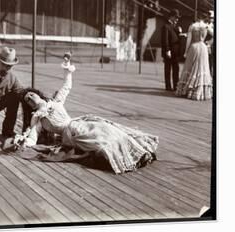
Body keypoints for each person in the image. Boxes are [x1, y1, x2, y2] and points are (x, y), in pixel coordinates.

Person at [14, 61, 158, 174]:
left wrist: (67, 72)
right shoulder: (38, 119)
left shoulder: (55, 102)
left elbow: (66, 87)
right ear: (29, 106)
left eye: (31, 94)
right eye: (28, 99)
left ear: (37, 94)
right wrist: (24, 142)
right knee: (101, 142)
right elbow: (32, 137)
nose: (31, 98)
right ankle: (127, 160)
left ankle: (141, 151)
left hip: (80, 122)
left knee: (109, 130)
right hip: (71, 134)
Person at [175, 17, 213, 101]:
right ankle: (200, 91)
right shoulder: (206, 26)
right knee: (202, 67)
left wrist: (186, 51)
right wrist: (209, 43)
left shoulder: (192, 26)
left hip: (194, 47)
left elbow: (188, 40)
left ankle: (187, 89)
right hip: (203, 47)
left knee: (190, 67)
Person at [161, 9, 182, 91]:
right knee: (168, 68)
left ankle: (176, 85)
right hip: (169, 51)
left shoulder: (175, 27)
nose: (177, 19)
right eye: (176, 17)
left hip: (175, 51)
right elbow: (165, 40)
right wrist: (167, 50)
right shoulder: (166, 26)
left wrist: (179, 32)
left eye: (178, 18)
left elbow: (177, 39)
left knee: (176, 68)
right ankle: (168, 85)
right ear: (171, 17)